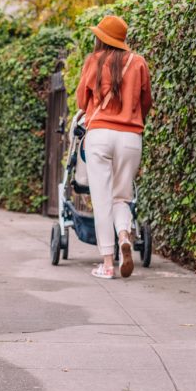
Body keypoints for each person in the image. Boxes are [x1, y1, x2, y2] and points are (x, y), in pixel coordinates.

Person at [76, 15, 152, 280]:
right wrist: (131, 118)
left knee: (102, 201)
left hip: (100, 136)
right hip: (131, 138)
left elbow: (80, 101)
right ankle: (124, 236)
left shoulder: (93, 61)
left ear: (101, 38)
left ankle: (107, 264)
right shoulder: (139, 62)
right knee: (122, 196)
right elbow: (146, 102)